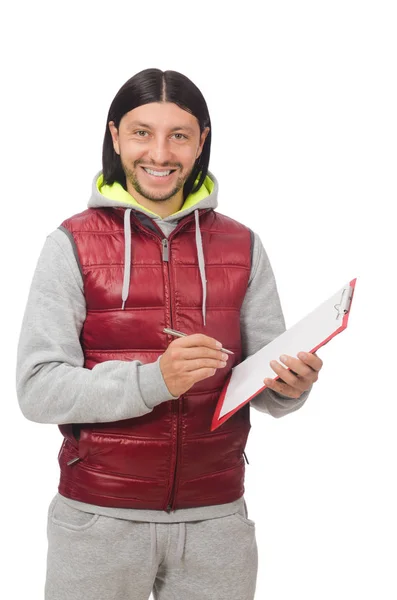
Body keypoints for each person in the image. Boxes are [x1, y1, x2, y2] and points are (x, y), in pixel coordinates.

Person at [16, 68, 323, 600]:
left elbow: (264, 386)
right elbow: (38, 389)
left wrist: (288, 387)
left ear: (202, 141)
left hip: (217, 525)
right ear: (115, 136)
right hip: (97, 522)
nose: (160, 153)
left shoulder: (243, 245)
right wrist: (154, 380)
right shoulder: (69, 244)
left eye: (178, 135)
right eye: (142, 132)